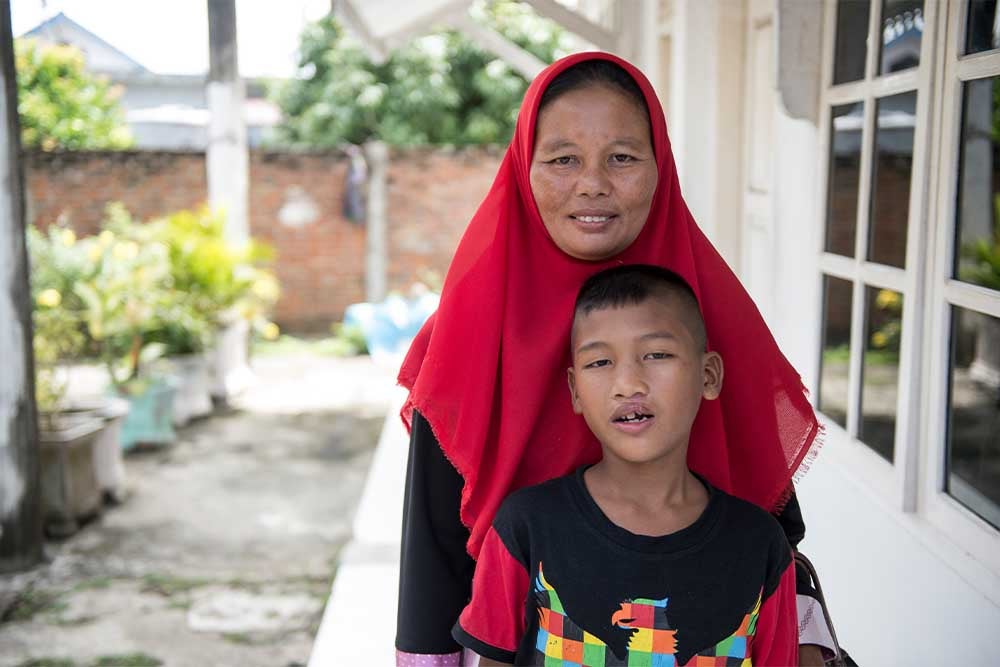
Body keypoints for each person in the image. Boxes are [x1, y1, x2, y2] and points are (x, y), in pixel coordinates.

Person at [396, 52, 831, 667]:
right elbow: (434, 552)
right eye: (562, 159)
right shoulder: (467, 331)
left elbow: (772, 524)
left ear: (661, 168)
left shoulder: (713, 313)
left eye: (622, 157)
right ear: (524, 167)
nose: (592, 183)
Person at [452, 264, 798, 666]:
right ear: (575, 390)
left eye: (656, 354)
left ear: (708, 375)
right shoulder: (525, 528)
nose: (629, 383)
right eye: (599, 363)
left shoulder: (759, 546)